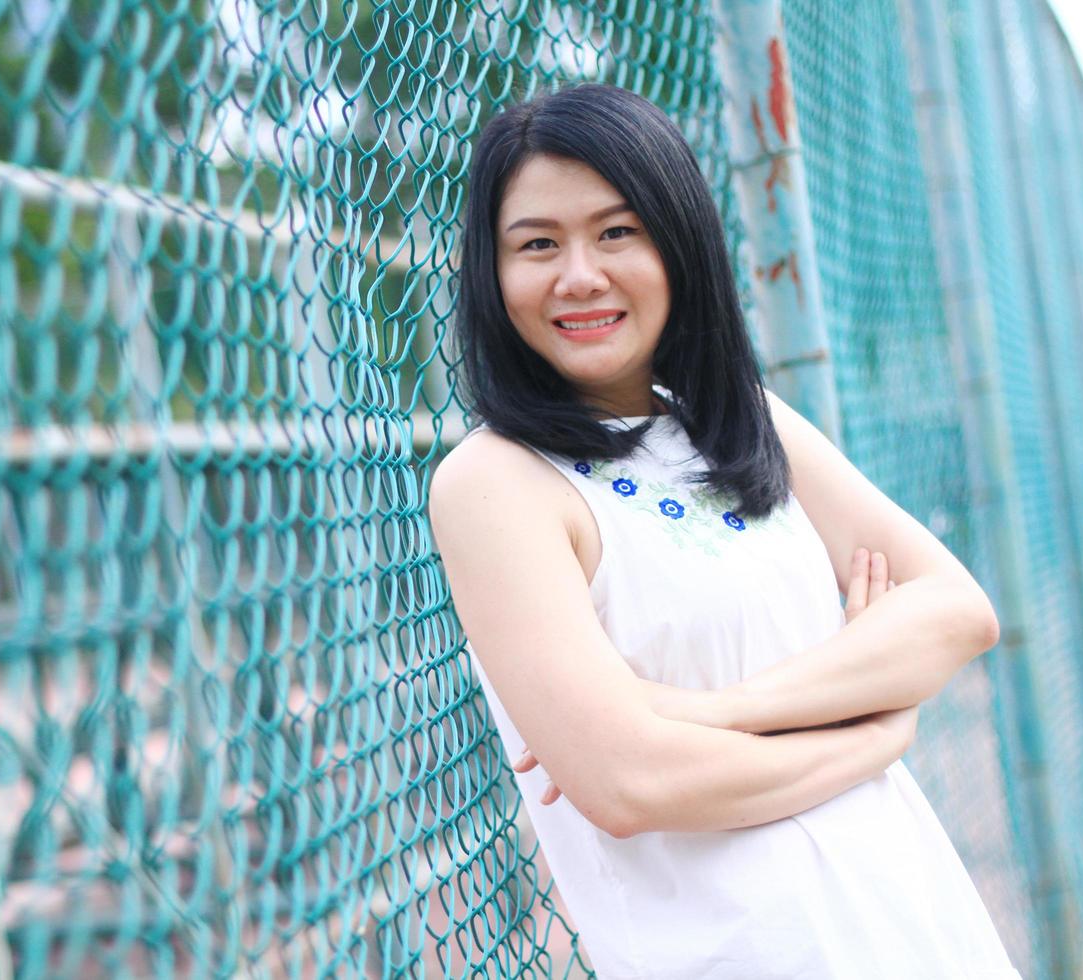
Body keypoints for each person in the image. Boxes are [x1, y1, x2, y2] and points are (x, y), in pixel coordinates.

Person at [426, 84, 1019, 978]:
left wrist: (712, 716)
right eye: (537, 244)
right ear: (493, 272)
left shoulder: (741, 419)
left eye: (617, 232)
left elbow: (957, 612)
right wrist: (874, 725)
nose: (578, 274)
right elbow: (633, 785)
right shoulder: (495, 482)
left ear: (679, 243)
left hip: (916, 925)